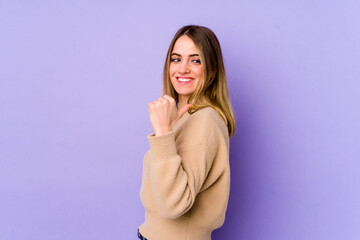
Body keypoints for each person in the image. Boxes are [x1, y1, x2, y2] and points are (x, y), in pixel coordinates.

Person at [138, 25, 236, 240]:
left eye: (195, 60)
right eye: (176, 59)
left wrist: (163, 133)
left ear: (212, 68)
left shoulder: (205, 120)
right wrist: (169, 128)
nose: (182, 69)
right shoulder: (186, 117)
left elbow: (174, 205)